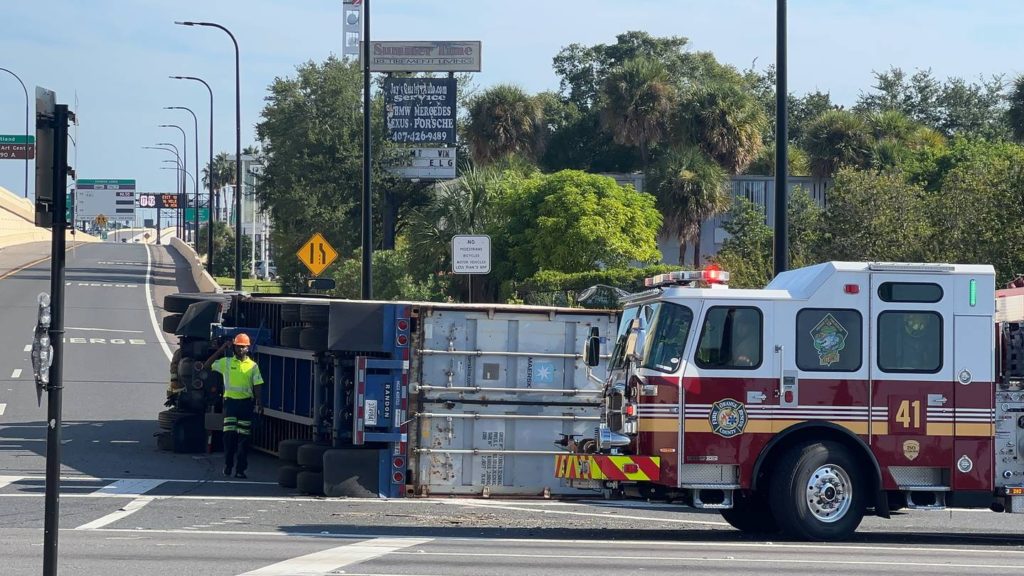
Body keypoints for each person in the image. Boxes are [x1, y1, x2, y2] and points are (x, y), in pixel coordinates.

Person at [198, 333, 264, 479]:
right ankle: (228, 465)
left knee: (244, 439)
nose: (241, 350)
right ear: (234, 348)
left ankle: (240, 469)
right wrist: (221, 349)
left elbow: (258, 384)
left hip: (246, 404)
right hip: (231, 404)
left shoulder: (253, 366)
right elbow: (207, 365)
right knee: (229, 437)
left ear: (248, 348)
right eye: (238, 347)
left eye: (243, 347)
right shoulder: (226, 363)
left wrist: (259, 402)